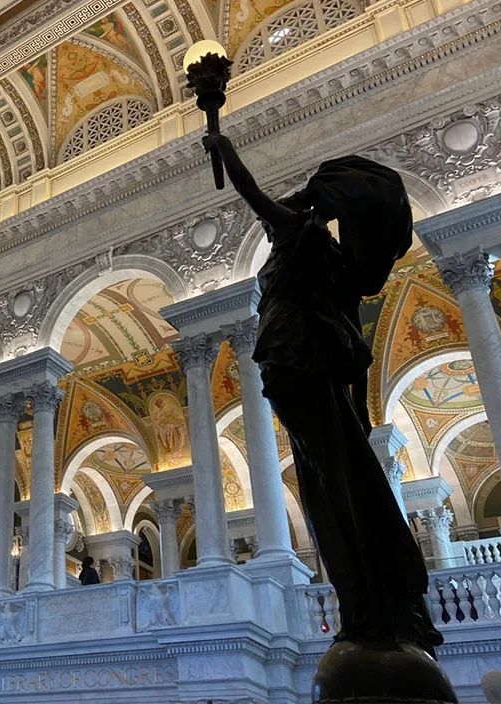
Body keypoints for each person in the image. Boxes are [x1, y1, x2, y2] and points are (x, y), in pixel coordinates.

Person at [203, 133, 441, 654]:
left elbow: (253, 196)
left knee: (332, 477)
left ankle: (369, 597)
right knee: (335, 473)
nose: (275, 214)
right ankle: (373, 595)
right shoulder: (330, 254)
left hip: (293, 358)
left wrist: (224, 148)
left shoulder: (300, 233)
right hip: (300, 363)